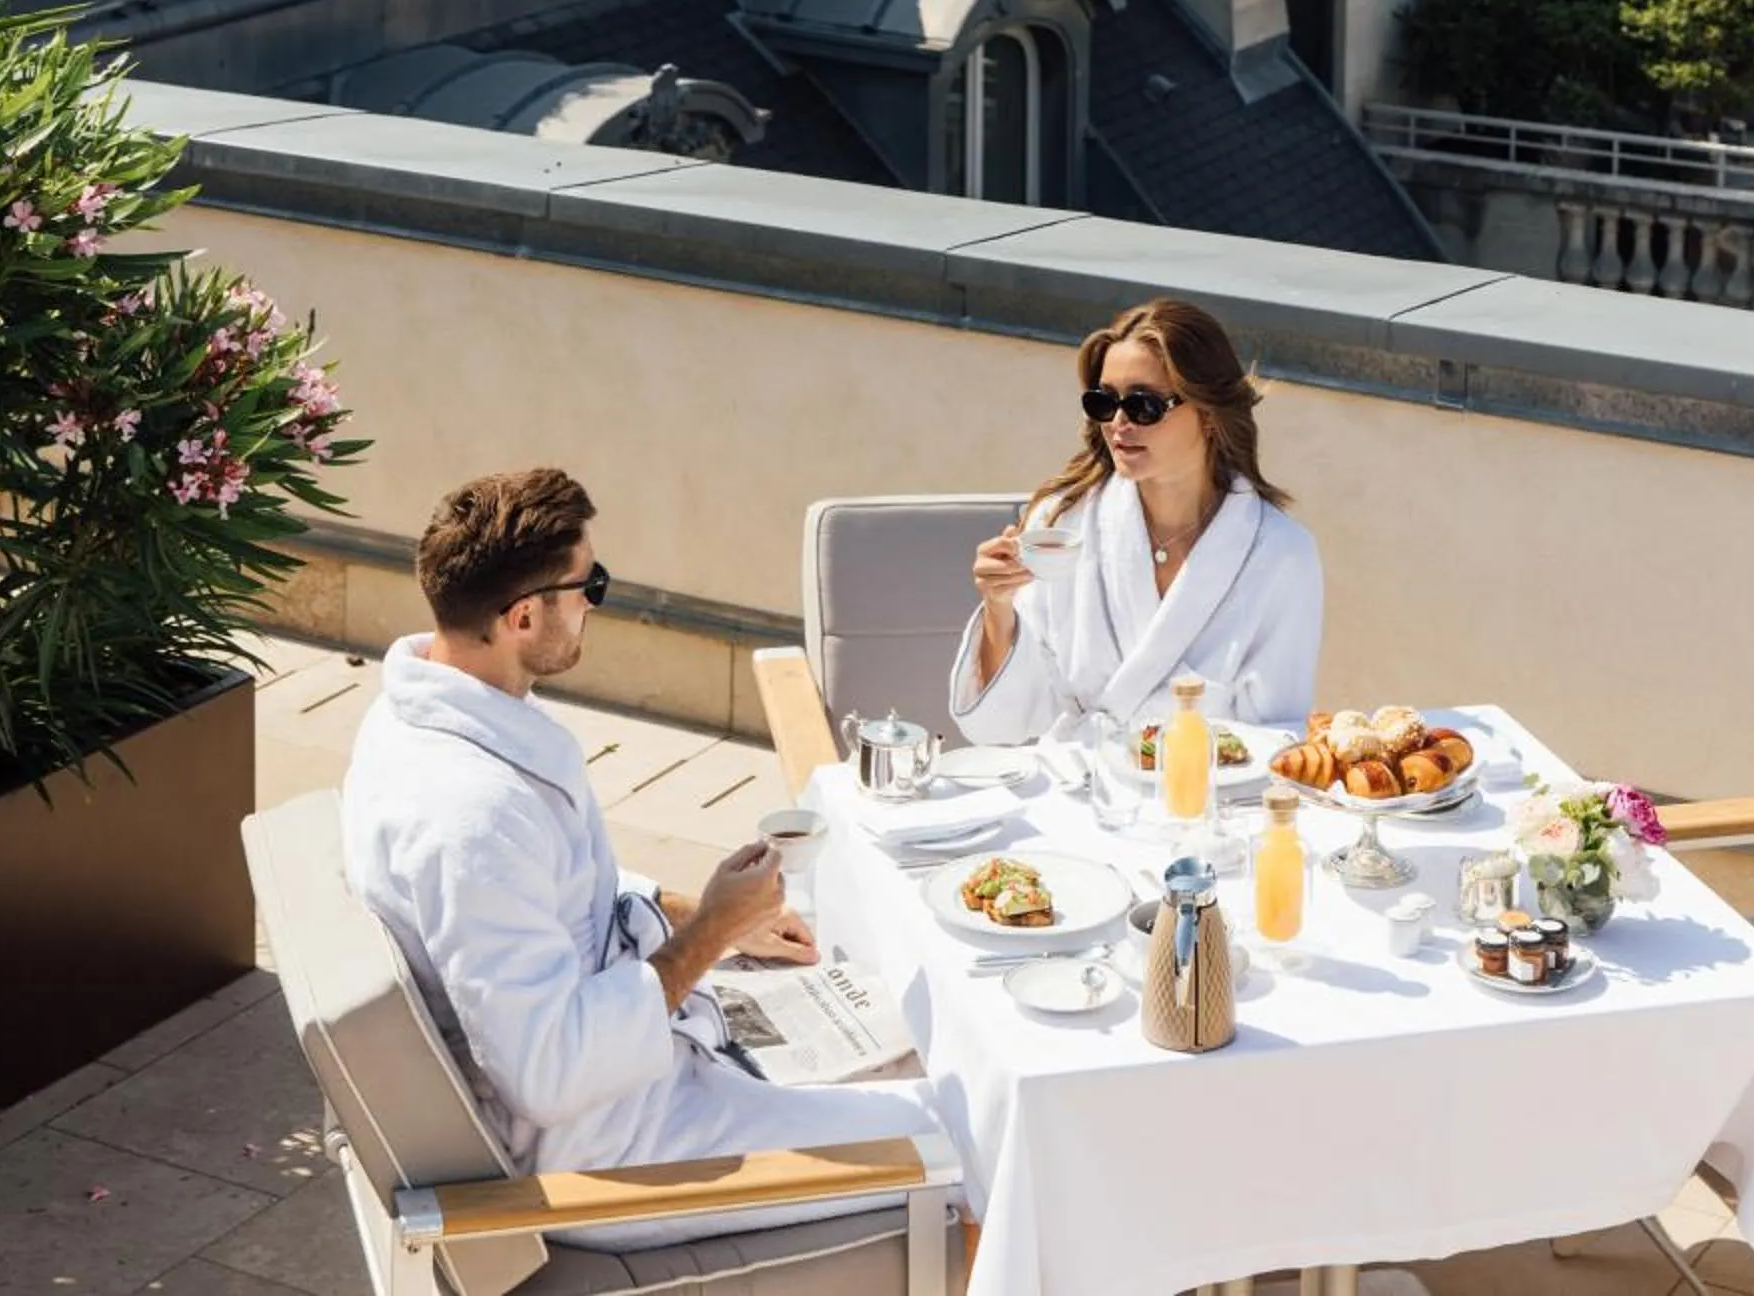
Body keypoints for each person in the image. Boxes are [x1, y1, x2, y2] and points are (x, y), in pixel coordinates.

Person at [343, 465, 942, 1190]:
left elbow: (548, 897)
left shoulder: (417, 714)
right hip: (610, 1146)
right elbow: (550, 1074)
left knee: (918, 1049)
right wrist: (710, 934)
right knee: (969, 1129)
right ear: (523, 617)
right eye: (589, 587)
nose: (596, 604)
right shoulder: (473, 815)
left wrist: (698, 912)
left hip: (632, 1075)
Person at [949, 299, 1322, 742]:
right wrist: (999, 606)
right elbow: (1000, 725)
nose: (1118, 423)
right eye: (1103, 402)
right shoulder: (1062, 524)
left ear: (1208, 413)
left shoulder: (1281, 555)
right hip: (1074, 775)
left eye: (1144, 406)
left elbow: (1274, 739)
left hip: (1203, 783)